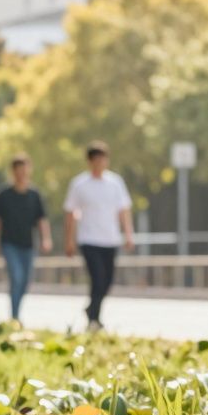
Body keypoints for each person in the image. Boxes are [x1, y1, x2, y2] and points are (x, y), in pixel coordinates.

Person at [63, 141, 134, 333]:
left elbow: (123, 210)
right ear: (90, 161)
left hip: (110, 239)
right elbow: (70, 213)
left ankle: (91, 309)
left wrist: (128, 234)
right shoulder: (79, 184)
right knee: (97, 278)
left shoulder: (115, 183)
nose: (100, 163)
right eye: (96, 159)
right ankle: (94, 319)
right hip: (89, 240)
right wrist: (69, 240)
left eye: (103, 159)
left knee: (107, 281)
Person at [0, 154, 52, 322]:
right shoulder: (4, 195)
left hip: (28, 245)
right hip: (9, 244)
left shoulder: (34, 194)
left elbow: (41, 219)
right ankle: (15, 317)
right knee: (16, 277)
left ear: (29, 170)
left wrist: (46, 239)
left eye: (24, 170)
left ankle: (16, 311)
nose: (21, 173)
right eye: (18, 170)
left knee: (25, 281)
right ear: (13, 172)